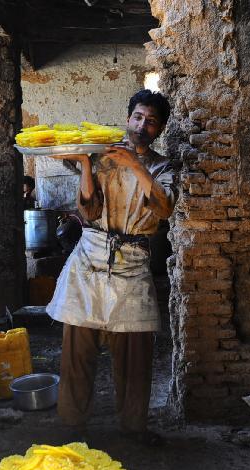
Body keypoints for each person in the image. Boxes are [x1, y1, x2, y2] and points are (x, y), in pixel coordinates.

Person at [46, 90, 175, 446]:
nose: (141, 125)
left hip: (132, 264)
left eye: (150, 120)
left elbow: (164, 209)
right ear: (128, 117)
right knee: (77, 350)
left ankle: (133, 428)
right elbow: (88, 211)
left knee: (134, 355)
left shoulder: (163, 167)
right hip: (90, 259)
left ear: (160, 128)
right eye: (137, 117)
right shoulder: (104, 156)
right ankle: (72, 424)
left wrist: (136, 165)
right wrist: (87, 164)